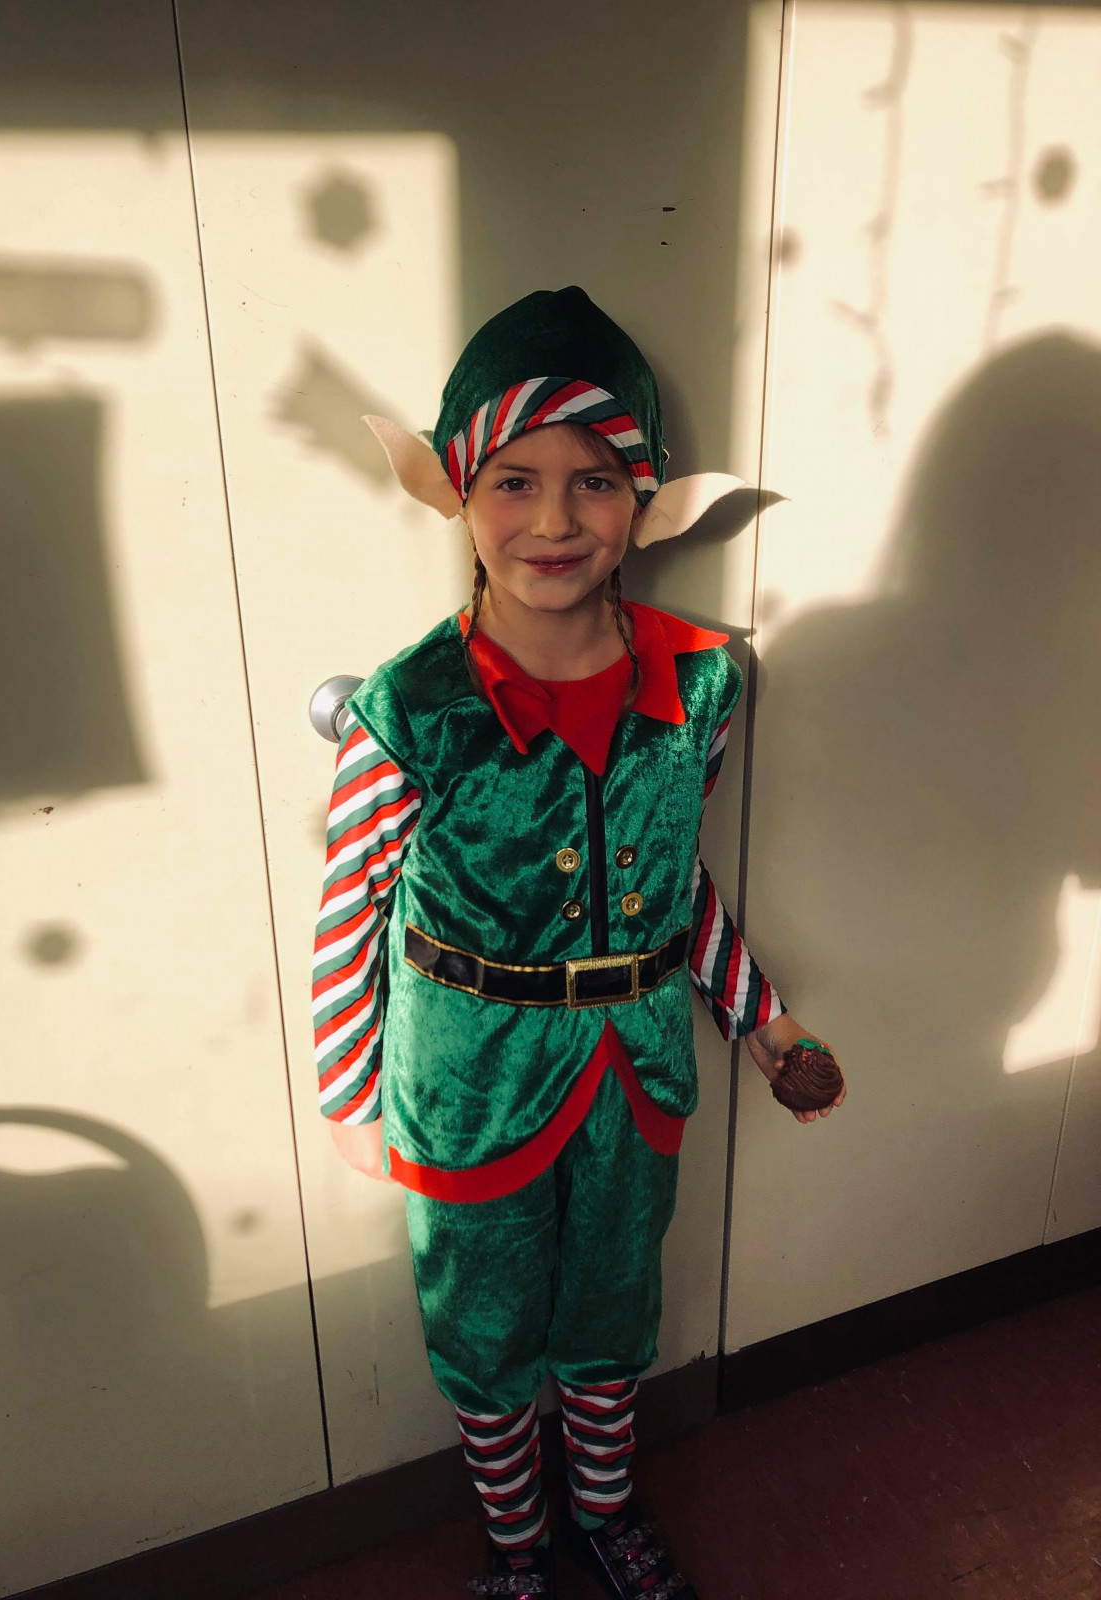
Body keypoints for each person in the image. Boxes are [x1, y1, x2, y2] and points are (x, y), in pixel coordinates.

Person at [312, 286, 845, 1599]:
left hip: (634, 1071)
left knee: (611, 1312)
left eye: (593, 481)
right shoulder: (408, 708)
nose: (553, 521)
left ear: (647, 502)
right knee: (483, 1326)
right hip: (465, 1081)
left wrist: (764, 1020)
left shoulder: (703, 683)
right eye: (515, 480)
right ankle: (516, 1541)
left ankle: (603, 1509)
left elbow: (674, 883)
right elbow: (351, 906)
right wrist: (350, 1091)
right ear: (455, 490)